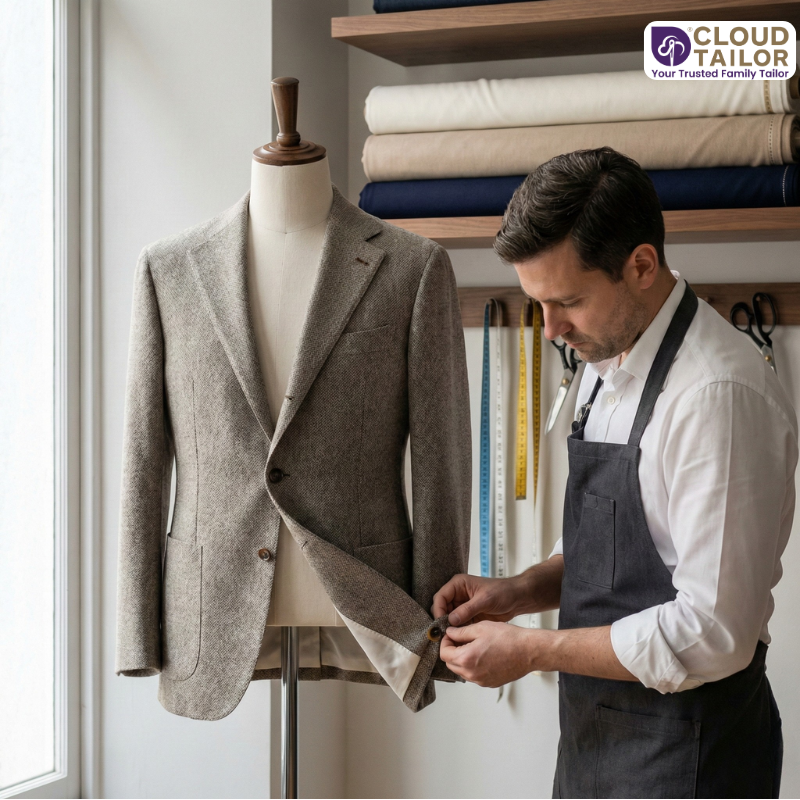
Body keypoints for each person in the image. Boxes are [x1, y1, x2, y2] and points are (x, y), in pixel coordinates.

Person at [433, 147, 797, 798]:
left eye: (566, 301)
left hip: (691, 756)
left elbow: (712, 634)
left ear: (640, 265)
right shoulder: (611, 365)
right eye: (537, 303)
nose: (549, 330)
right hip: (595, 744)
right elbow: (619, 555)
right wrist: (519, 591)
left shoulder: (718, 396)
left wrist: (533, 650)